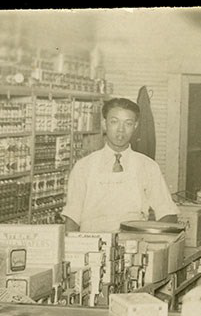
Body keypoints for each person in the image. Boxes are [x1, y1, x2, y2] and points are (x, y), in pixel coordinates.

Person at [62, 97, 177, 233]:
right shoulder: (84, 166)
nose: (121, 130)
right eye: (114, 122)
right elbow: (72, 217)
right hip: (92, 245)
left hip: (133, 244)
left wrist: (154, 241)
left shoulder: (148, 166)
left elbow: (167, 212)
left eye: (128, 123)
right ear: (105, 124)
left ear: (135, 126)